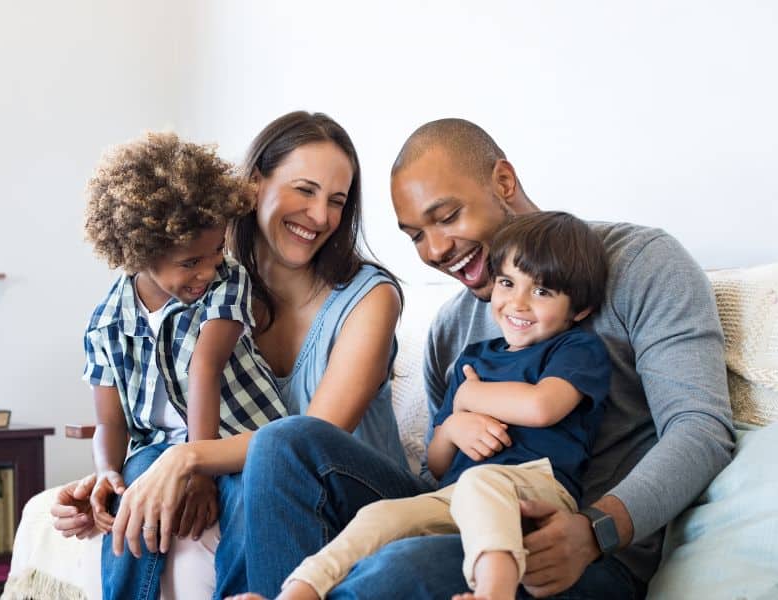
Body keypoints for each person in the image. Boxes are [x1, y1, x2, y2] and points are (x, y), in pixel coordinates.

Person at [236, 118, 735, 599]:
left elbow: (700, 427)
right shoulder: (452, 328)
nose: (434, 250)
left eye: (447, 217)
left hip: (579, 553)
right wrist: (451, 432)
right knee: (285, 443)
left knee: (396, 569)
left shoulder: (640, 263)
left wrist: (595, 530)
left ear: (503, 180)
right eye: (414, 235)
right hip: (463, 519)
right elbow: (440, 473)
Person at [51, 112, 407, 597]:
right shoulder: (202, 285)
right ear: (255, 184)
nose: (321, 216)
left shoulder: (368, 298)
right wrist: (109, 478)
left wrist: (188, 459)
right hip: (249, 474)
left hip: (354, 492)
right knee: (144, 483)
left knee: (273, 456)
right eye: (305, 190)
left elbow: (309, 441)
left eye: (337, 202)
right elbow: (154, 405)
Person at [253, 211, 611, 600]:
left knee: (481, 481)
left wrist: (469, 398)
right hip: (457, 496)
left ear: (579, 311)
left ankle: (494, 590)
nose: (518, 304)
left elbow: (543, 407)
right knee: (381, 515)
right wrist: (455, 427)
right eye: (507, 283)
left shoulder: (575, 348)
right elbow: (438, 463)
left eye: (542, 292)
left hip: (537, 492)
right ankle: (296, 592)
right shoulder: (474, 358)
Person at [81, 131, 287, 600]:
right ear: (141, 254)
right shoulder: (105, 324)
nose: (209, 270)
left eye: (216, 252)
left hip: (239, 439)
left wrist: (199, 469)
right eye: (191, 261)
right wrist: (106, 471)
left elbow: (205, 368)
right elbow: (108, 421)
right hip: (158, 447)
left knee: (246, 499)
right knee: (132, 491)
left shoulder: (227, 283)